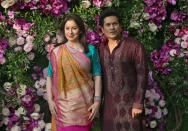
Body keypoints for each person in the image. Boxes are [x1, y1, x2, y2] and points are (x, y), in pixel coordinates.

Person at [46, 14, 102, 131]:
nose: (70, 32)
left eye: (74, 28)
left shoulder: (90, 50)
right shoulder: (56, 52)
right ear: (63, 30)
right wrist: (50, 101)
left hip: (85, 107)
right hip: (62, 107)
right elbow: (50, 76)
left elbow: (97, 75)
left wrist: (97, 101)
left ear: (80, 30)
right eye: (67, 28)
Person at [98, 8, 148, 131]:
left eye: (115, 24)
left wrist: (138, 104)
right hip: (109, 109)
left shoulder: (135, 46)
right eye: (108, 25)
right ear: (102, 29)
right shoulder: (100, 49)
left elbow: (142, 75)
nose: (112, 28)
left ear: (121, 26)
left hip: (131, 107)